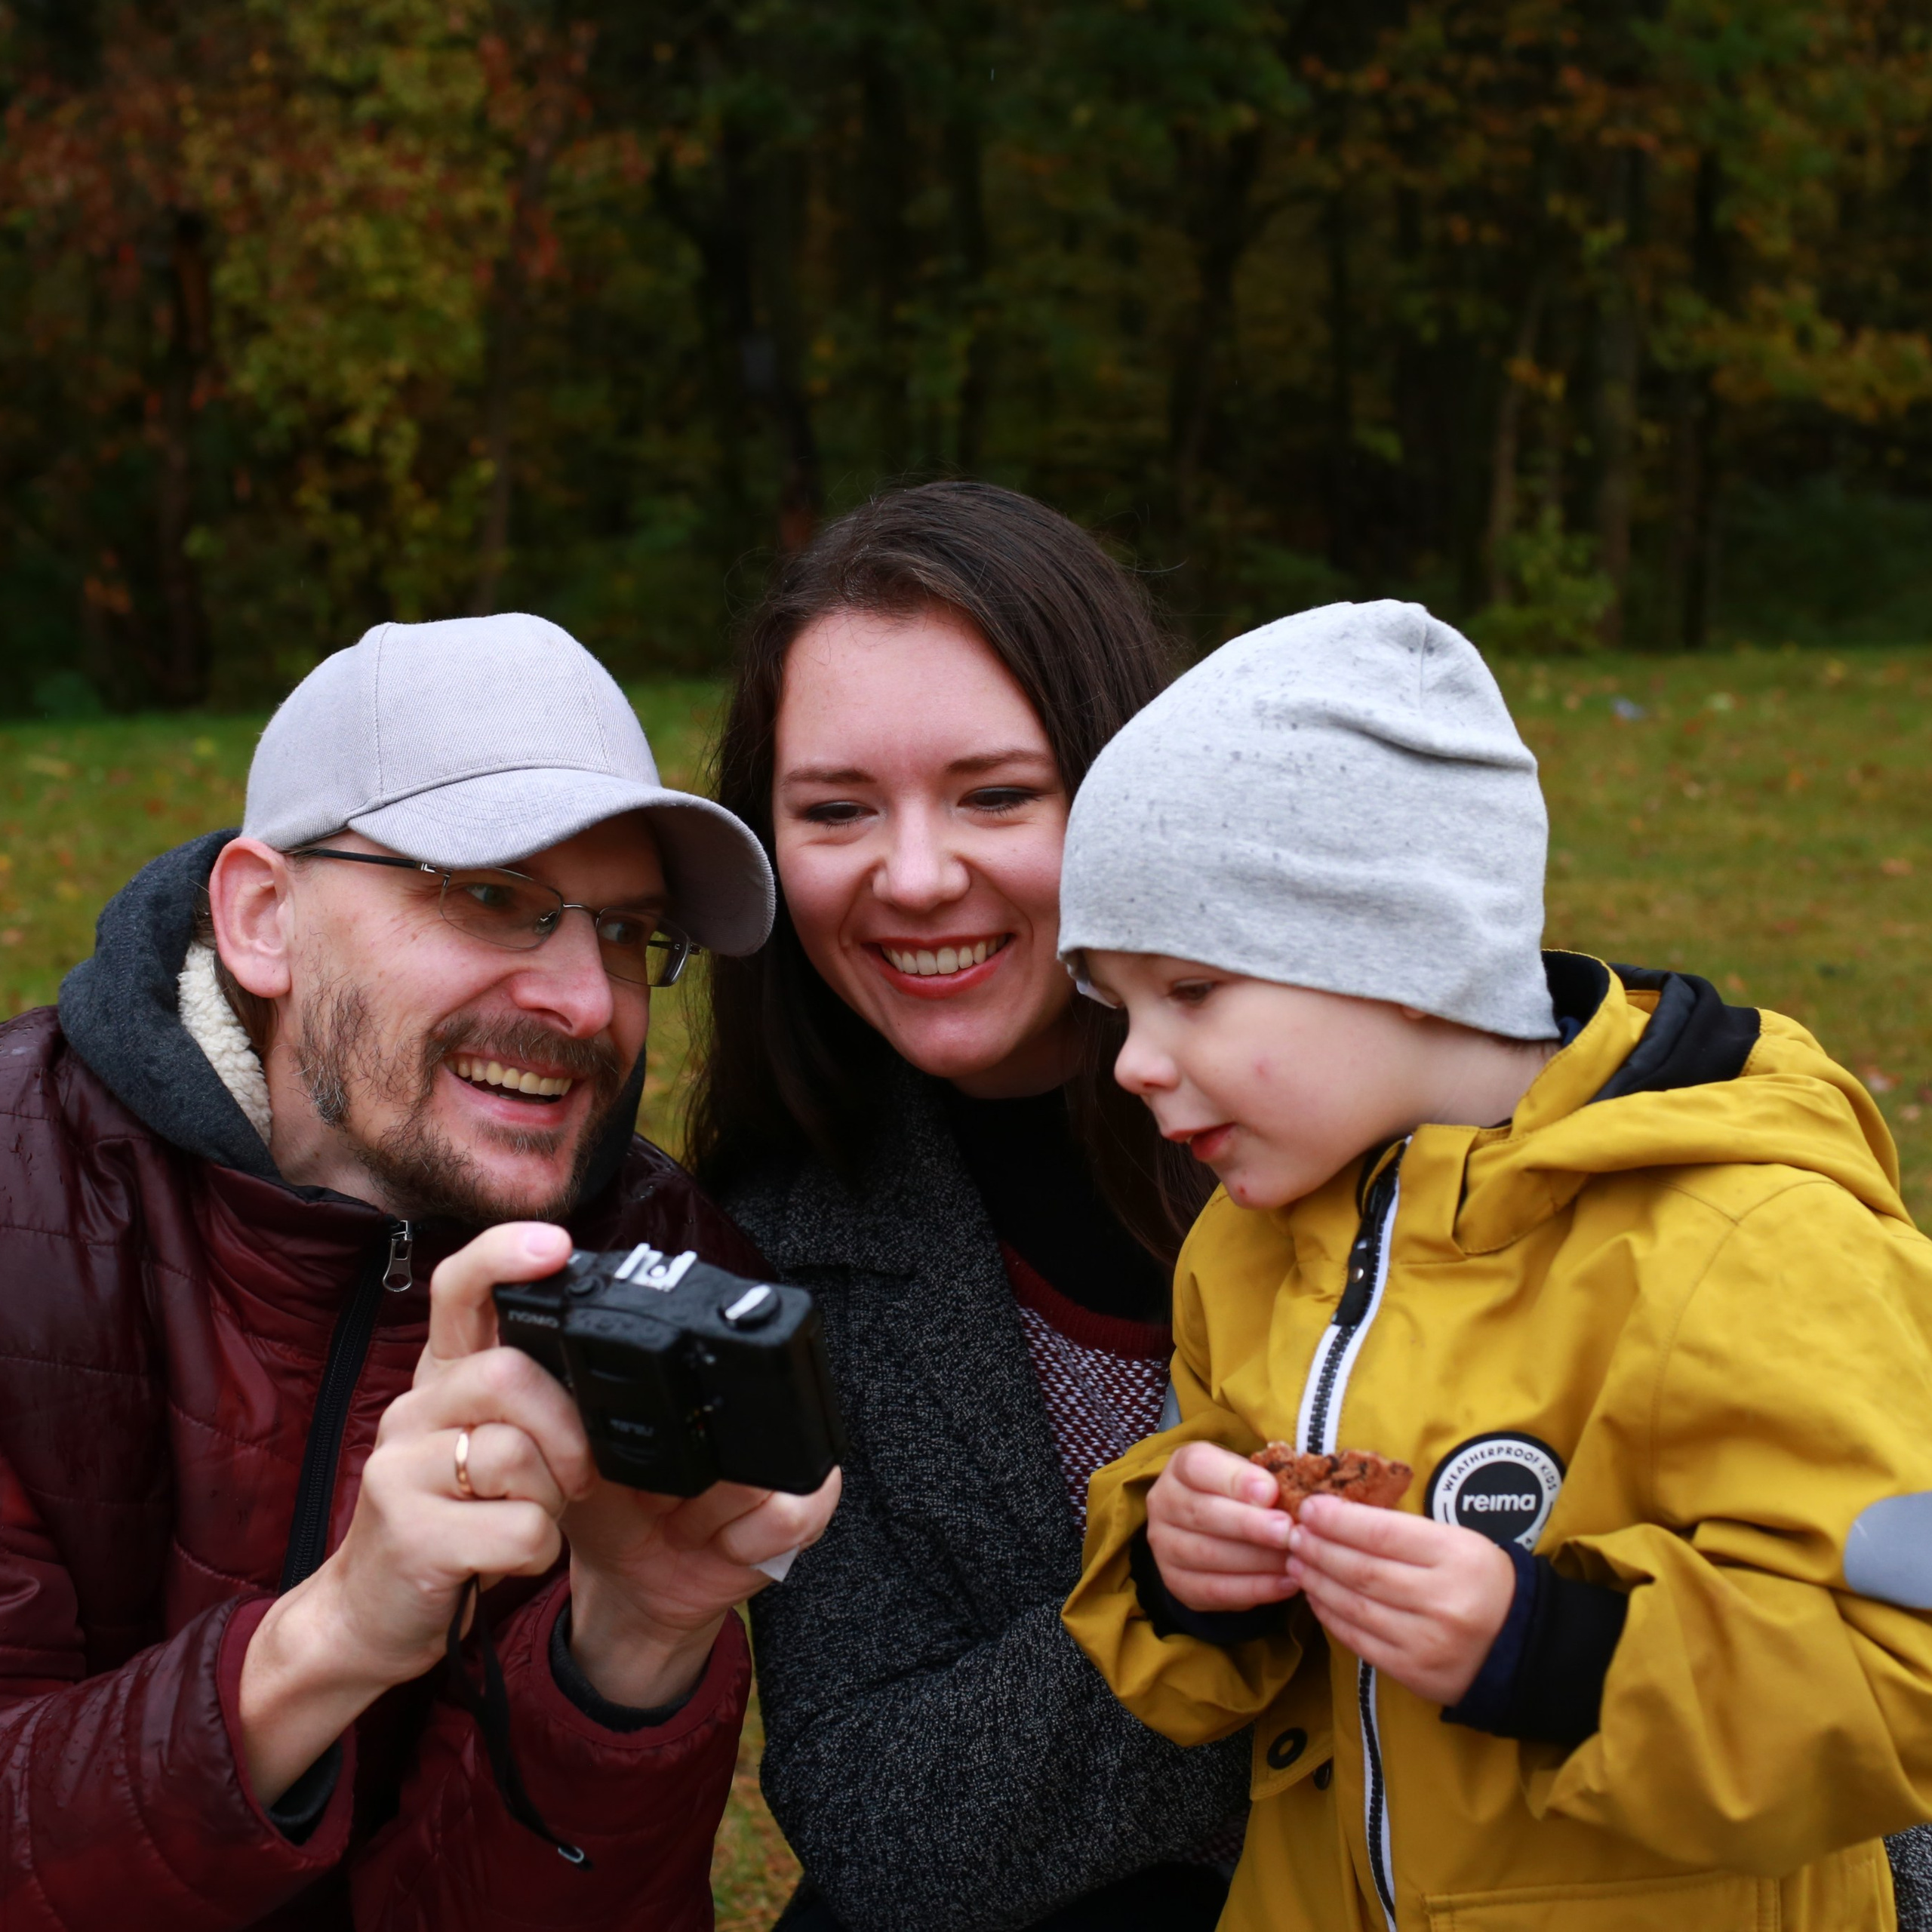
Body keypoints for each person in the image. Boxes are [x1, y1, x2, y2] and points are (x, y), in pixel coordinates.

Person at [1055, 598, 1932, 1930]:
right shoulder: (1249, 1242)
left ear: (1406, 956)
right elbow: (1193, 1577)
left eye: (1190, 992)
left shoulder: (1749, 1237)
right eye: (1116, 1006)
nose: (1133, 1063)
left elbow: (1900, 1669)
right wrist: (1186, 1566)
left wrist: (1556, 1655)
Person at [0, 613, 839, 1929]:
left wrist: (631, 1649)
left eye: (627, 934)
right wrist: (323, 1645)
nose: (583, 999)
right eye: (493, 896)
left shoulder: (656, 1288)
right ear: (265, 919)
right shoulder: (23, 1211)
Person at [686, 481, 1250, 1931]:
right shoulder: (783, 1235)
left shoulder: (1425, 1111)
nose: (918, 877)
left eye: (998, 794)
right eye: (835, 810)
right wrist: (1179, 1619)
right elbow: (875, 1817)